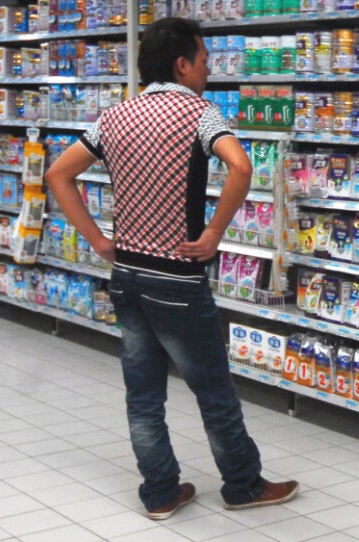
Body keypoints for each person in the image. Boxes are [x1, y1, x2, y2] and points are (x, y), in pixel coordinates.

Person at [45, 18, 298, 520]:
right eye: (204, 59)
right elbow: (241, 167)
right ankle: (243, 485)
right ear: (182, 65)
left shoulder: (115, 116)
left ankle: (160, 493)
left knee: (143, 394)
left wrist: (98, 240)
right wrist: (213, 235)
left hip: (128, 275)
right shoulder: (198, 113)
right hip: (177, 279)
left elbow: (58, 173)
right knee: (213, 389)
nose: (208, 68)